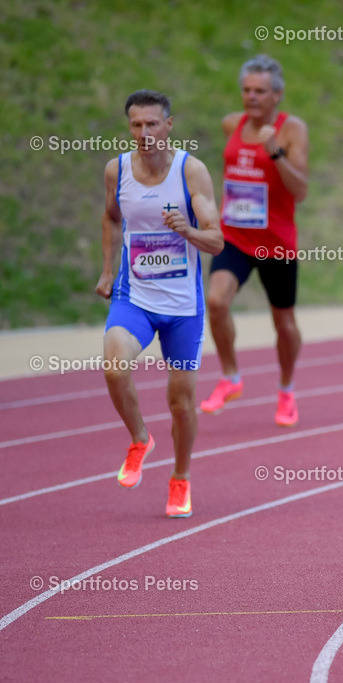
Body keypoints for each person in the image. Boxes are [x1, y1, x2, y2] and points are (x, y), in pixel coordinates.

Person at [95, 89, 224, 518]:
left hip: (183, 308)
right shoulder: (117, 170)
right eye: (136, 125)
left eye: (152, 123)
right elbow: (111, 217)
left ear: (169, 125)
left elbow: (217, 241)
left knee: (181, 403)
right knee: (114, 367)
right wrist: (108, 271)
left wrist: (187, 230)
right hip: (135, 296)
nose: (144, 132)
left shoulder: (191, 171)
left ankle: (180, 478)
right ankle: (139, 438)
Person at [200, 55, 309, 426]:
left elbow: (300, 190)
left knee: (284, 324)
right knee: (216, 301)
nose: (251, 97)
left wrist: (275, 151)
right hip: (235, 237)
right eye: (247, 90)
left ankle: (286, 388)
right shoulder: (232, 124)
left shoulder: (292, 130)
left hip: (276, 242)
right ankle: (230, 377)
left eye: (260, 91)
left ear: (277, 94)